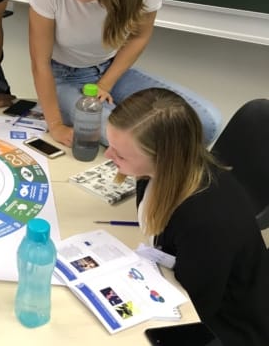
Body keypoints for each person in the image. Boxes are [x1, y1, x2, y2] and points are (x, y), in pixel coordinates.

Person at [28, 0, 222, 147]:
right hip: (63, 77)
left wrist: (105, 84)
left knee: (205, 123)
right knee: (127, 138)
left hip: (112, 70)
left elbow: (139, 36)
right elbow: (40, 63)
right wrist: (56, 125)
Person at [106, 88, 269, 346]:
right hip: (184, 282)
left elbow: (192, 309)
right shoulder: (163, 174)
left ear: (162, 157)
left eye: (120, 154)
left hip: (228, 325)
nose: (107, 155)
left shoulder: (207, 221)